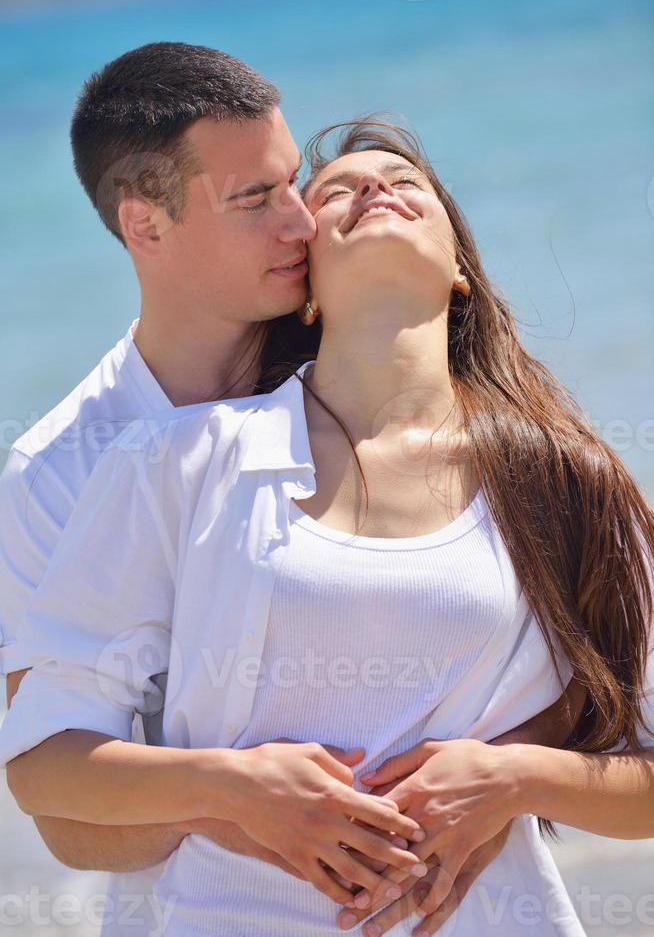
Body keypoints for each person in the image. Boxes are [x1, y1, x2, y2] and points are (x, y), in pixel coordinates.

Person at [2, 116, 652, 937]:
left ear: (459, 271)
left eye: (406, 182)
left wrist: (515, 777)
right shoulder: (176, 458)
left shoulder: (564, 480)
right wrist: (229, 787)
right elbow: (45, 767)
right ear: (305, 288)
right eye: (337, 193)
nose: (376, 189)